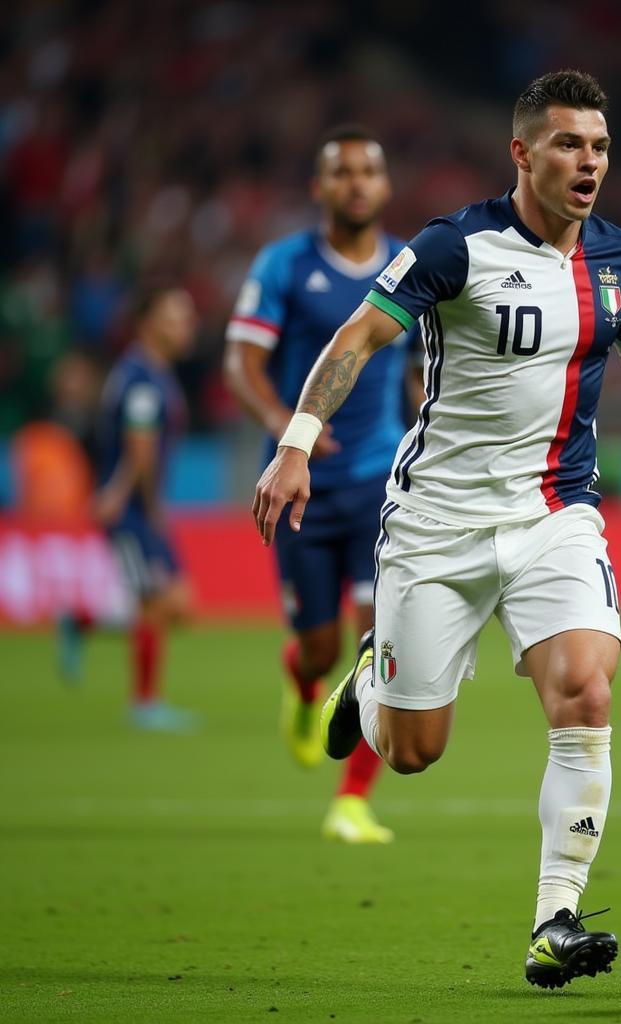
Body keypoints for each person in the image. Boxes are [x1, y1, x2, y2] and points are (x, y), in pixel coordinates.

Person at [252, 70, 621, 987]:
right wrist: (295, 443)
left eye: (601, 146)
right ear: (523, 153)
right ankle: (369, 686)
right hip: (437, 524)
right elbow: (353, 342)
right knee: (416, 752)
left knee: (586, 694)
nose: (590, 163)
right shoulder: (453, 247)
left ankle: (556, 921)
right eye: (570, 145)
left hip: (554, 515)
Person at [225, 126, 422, 844]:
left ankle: (352, 801)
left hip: (380, 482)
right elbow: (241, 364)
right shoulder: (284, 265)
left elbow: (417, 366)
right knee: (318, 647)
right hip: (300, 484)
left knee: (381, 643)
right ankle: (302, 681)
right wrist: (289, 429)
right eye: (342, 172)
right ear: (320, 187)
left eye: (370, 170)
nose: (357, 183)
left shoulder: (408, 265)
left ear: (385, 185)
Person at [62, 285, 198, 731]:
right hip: (133, 509)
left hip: (137, 505)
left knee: (179, 606)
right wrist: (131, 499)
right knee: (156, 604)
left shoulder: (151, 372)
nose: (186, 326)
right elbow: (139, 448)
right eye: (175, 317)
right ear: (148, 325)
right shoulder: (141, 377)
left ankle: (80, 622)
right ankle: (144, 703)